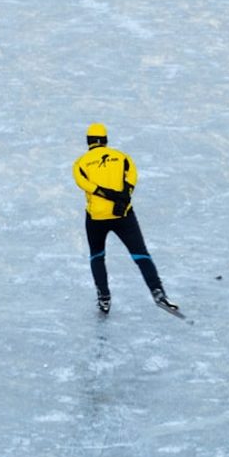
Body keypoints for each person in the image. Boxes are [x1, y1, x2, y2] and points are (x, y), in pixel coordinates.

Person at [72, 123, 178, 314]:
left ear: (88, 141)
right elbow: (131, 177)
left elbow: (86, 185)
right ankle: (158, 292)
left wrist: (107, 195)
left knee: (97, 256)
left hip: (96, 218)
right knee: (141, 255)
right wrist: (123, 198)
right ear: (105, 140)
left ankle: (104, 298)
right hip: (123, 215)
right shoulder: (122, 157)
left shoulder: (80, 163)